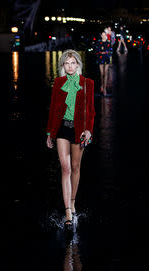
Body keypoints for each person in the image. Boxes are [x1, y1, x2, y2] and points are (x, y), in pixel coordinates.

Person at [46, 49, 95, 229]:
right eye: (67, 63)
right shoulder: (58, 83)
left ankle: (73, 201)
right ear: (62, 66)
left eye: (73, 63)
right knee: (65, 168)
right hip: (61, 130)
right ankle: (68, 211)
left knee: (75, 167)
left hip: (79, 131)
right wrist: (49, 133)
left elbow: (90, 110)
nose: (70, 66)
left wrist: (88, 130)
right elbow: (52, 109)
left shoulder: (87, 84)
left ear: (78, 65)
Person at [94, 31, 112, 95]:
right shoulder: (99, 43)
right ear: (101, 35)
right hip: (100, 58)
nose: (104, 36)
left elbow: (111, 51)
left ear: (106, 35)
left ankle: (105, 88)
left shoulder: (108, 43)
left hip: (106, 58)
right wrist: (99, 54)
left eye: (105, 35)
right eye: (103, 35)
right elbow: (96, 51)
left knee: (106, 73)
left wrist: (108, 55)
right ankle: (102, 85)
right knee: (102, 74)